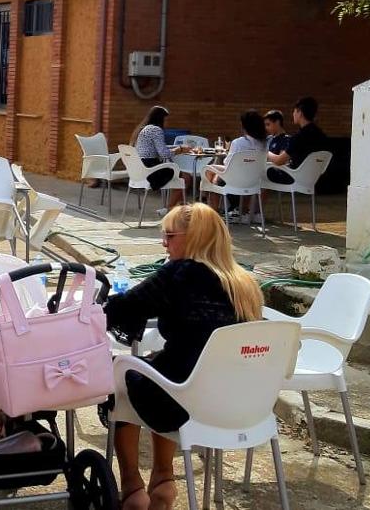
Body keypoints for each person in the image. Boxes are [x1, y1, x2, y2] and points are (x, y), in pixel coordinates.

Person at [104, 203, 263, 510]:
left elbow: (122, 308)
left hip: (185, 402)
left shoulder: (180, 274)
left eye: (169, 235)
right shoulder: (244, 282)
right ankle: (164, 481)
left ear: (193, 238)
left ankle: (132, 486)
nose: (164, 243)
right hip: (236, 404)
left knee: (117, 375)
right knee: (163, 366)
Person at [203, 110, 268, 220]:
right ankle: (238, 210)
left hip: (233, 180)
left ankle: (212, 212)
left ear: (244, 126)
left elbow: (227, 163)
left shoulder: (238, 143)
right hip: (253, 181)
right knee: (213, 170)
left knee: (212, 175)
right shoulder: (264, 143)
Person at [132, 105, 190, 214]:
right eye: (166, 119)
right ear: (161, 118)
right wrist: (179, 149)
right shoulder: (156, 129)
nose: (167, 122)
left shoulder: (144, 129)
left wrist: (176, 149)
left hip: (141, 169)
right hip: (151, 170)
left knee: (180, 176)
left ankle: (178, 209)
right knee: (186, 178)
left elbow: (157, 148)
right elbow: (163, 154)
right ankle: (169, 210)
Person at [266, 96, 329, 184]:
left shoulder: (299, 137)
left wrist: (265, 152)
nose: (293, 114)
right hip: (315, 179)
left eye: (294, 111)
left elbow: (279, 161)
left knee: (261, 171)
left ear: (300, 112)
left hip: (295, 177)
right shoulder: (321, 135)